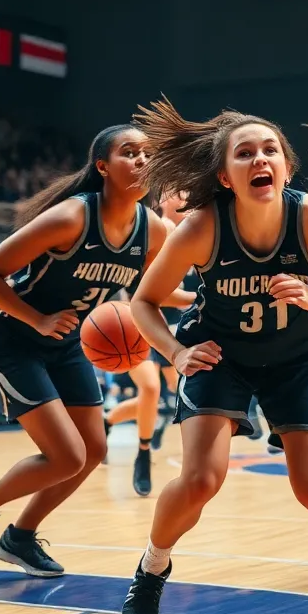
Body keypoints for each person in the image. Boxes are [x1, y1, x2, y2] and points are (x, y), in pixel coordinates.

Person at [118, 98, 308, 614]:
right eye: (245, 153)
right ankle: (151, 568)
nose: (259, 158)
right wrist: (175, 354)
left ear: (285, 166)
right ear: (226, 175)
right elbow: (143, 302)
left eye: (270, 150)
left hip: (299, 360)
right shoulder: (199, 227)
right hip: (221, 356)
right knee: (200, 479)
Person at [0, 124, 173, 577]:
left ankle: (20, 537)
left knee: (92, 449)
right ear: (103, 167)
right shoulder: (71, 217)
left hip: (66, 341)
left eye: (148, 154)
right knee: (66, 455)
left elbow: (152, 293)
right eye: (130, 153)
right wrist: (39, 319)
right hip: (11, 335)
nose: (142, 161)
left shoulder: (154, 231)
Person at [105, 189, 197, 496]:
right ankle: (143, 453)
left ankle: (108, 420)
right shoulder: (152, 229)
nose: (186, 195)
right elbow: (154, 293)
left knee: (167, 395)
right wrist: (199, 299)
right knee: (151, 389)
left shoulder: (197, 231)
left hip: (173, 326)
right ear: (163, 198)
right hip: (136, 321)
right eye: (178, 191)